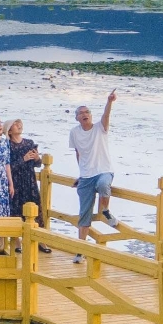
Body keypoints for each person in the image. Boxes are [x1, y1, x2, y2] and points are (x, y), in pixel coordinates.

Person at [68, 90, 118, 259]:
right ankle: (80, 251)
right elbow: (78, 153)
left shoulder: (100, 128)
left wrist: (109, 102)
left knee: (104, 185)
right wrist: (81, 173)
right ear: (76, 118)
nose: (84, 114)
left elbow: (106, 115)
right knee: (84, 214)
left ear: (91, 115)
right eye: (81, 113)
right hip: (86, 176)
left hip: (104, 170)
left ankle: (105, 210)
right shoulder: (74, 133)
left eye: (87, 112)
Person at [6, 120, 42, 225]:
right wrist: (23, 159)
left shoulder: (29, 143)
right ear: (9, 131)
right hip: (16, 183)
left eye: (20, 123)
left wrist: (36, 158)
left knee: (35, 212)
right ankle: (15, 241)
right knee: (16, 215)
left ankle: (38, 240)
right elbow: (8, 167)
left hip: (30, 182)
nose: (19, 125)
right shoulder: (7, 146)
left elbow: (38, 164)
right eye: (15, 124)